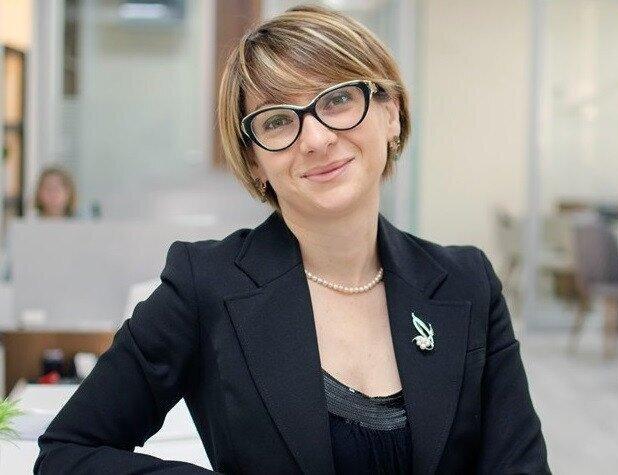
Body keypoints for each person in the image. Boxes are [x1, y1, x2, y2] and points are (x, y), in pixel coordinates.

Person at [34, 5, 550, 474]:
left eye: (339, 98)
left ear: (391, 113)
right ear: (255, 159)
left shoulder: (467, 283)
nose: (317, 139)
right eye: (279, 120)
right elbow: (68, 451)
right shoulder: (205, 285)